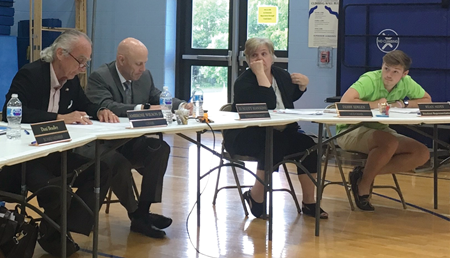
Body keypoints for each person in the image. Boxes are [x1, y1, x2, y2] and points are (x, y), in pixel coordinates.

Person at [1, 29, 119, 256]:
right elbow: (11, 112)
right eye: (81, 61)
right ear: (60, 54)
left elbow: (85, 104)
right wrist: (57, 118)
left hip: (55, 152)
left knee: (101, 169)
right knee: (58, 192)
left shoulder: (70, 81)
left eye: (87, 62)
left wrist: (102, 110)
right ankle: (55, 235)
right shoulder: (31, 74)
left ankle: (57, 230)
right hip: (27, 158)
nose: (83, 68)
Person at [80, 37, 193, 238]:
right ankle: (137, 216)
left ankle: (144, 210)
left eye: (145, 63)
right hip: (106, 144)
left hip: (131, 141)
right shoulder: (100, 77)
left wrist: (182, 105)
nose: (142, 68)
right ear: (121, 60)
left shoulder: (145, 76)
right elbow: (107, 105)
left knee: (160, 149)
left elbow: (158, 97)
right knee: (117, 163)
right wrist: (144, 108)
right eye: (138, 63)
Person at [223, 37, 328, 219]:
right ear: (248, 60)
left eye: (264, 54)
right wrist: (261, 75)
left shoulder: (281, 75)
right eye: (254, 55)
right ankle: (256, 196)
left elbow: (287, 98)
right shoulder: (244, 82)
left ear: (272, 56)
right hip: (246, 134)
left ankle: (309, 203)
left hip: (281, 131)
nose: (260, 59)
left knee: (308, 145)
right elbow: (269, 103)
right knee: (274, 143)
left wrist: (303, 86)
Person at [337, 50, 432, 211]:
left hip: (381, 130)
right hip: (351, 129)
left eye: (395, 72)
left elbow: (427, 100)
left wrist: (404, 104)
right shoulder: (370, 79)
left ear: (404, 74)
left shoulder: (406, 82)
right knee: (388, 142)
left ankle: (363, 174)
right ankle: (364, 184)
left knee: (421, 153)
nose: (389, 75)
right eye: (386, 68)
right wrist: (375, 104)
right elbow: (344, 102)